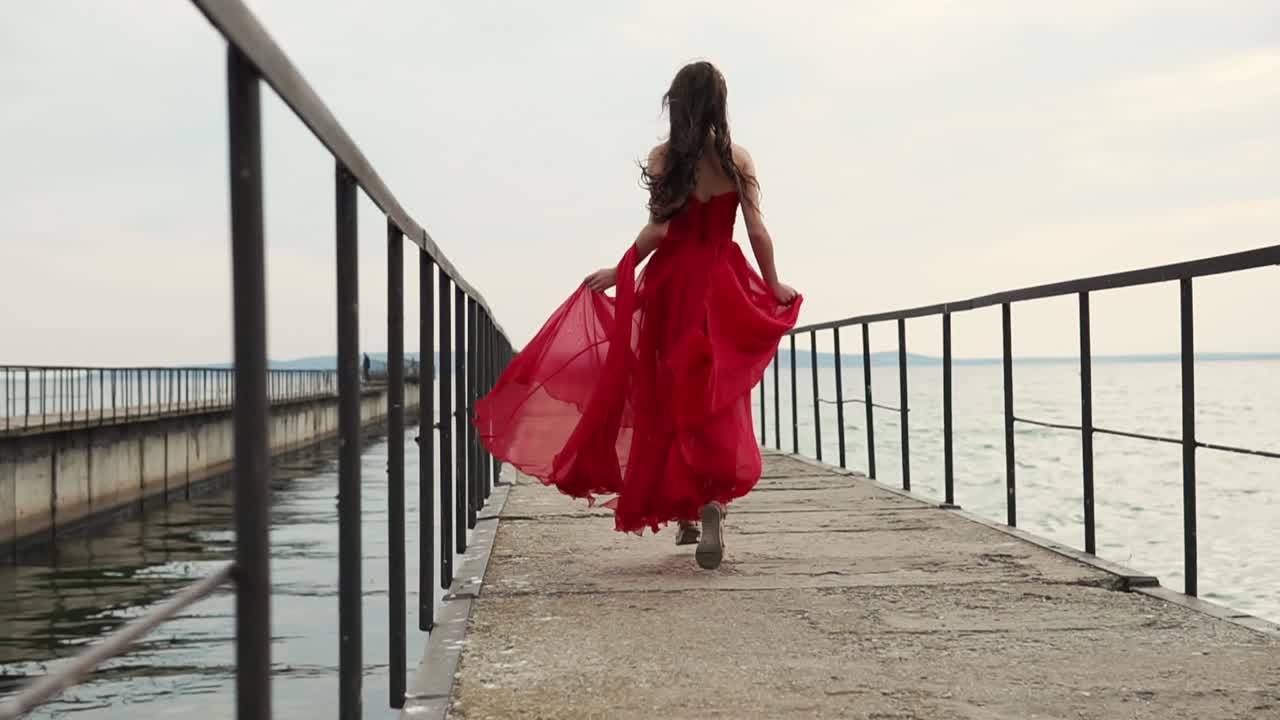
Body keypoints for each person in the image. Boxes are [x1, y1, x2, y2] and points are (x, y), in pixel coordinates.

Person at [473, 61, 801, 569]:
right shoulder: (737, 159)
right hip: (722, 283)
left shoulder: (665, 158)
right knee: (716, 395)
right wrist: (774, 281)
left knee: (667, 394)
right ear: (720, 104)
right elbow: (757, 230)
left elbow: (659, 232)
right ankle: (711, 501)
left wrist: (620, 268)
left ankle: (688, 515)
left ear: (676, 104)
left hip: (673, 286)